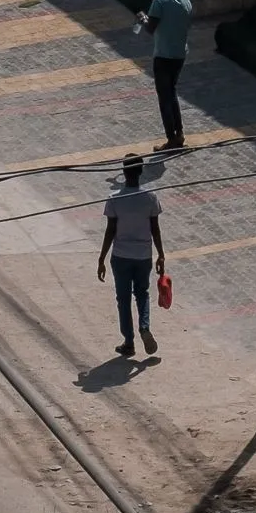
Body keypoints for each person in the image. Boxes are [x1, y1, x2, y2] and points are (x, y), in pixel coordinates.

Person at [97, 154, 166, 360]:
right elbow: (156, 229)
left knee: (123, 299)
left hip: (120, 257)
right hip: (143, 255)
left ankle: (128, 342)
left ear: (124, 172)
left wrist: (101, 259)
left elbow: (110, 231)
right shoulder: (150, 198)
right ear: (141, 171)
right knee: (142, 294)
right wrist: (161, 255)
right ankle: (144, 327)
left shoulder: (115, 199)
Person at [136, 0, 193, 152]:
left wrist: (143, 19)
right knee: (172, 93)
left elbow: (150, 28)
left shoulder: (159, 2)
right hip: (180, 54)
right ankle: (180, 133)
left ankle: (171, 139)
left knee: (164, 98)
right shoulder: (185, 0)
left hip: (163, 56)